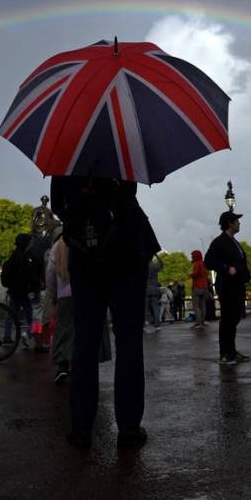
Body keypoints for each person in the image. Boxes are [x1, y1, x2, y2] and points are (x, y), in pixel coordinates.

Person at [51, 175, 160, 450]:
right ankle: (129, 426)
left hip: (83, 255)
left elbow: (58, 205)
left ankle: (81, 426)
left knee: (84, 343)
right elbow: (129, 193)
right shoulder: (122, 145)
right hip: (125, 252)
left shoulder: (67, 157)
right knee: (129, 342)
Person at [204, 211, 251, 366]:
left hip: (237, 285)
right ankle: (225, 353)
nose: (239, 223)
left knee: (235, 317)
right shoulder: (220, 241)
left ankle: (231, 350)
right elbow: (208, 262)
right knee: (228, 319)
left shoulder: (233, 241)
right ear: (230, 223)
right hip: (227, 285)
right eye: (237, 221)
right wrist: (225, 268)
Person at [45, 226, 73, 384]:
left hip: (63, 294)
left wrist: (53, 294)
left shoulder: (58, 246)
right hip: (85, 294)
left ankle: (63, 366)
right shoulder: (82, 239)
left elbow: (50, 273)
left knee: (63, 329)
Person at [1, 234, 38, 345]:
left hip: (14, 290)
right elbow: (25, 275)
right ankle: (31, 334)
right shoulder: (25, 257)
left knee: (11, 313)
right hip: (22, 291)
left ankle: (7, 336)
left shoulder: (14, 255)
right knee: (31, 313)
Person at [190, 250, 209, 330]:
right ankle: (203, 321)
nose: (192, 257)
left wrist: (190, 275)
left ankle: (198, 323)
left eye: (192, 256)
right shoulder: (204, 263)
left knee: (196, 306)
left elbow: (196, 273)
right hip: (204, 287)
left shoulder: (197, 264)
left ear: (196, 256)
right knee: (203, 305)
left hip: (197, 287)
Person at [146, 255, 164, 329]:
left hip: (146, 289)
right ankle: (157, 324)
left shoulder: (143, 266)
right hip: (155, 288)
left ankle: (148, 321)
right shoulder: (155, 266)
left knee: (146, 307)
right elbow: (162, 264)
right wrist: (157, 255)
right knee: (155, 307)